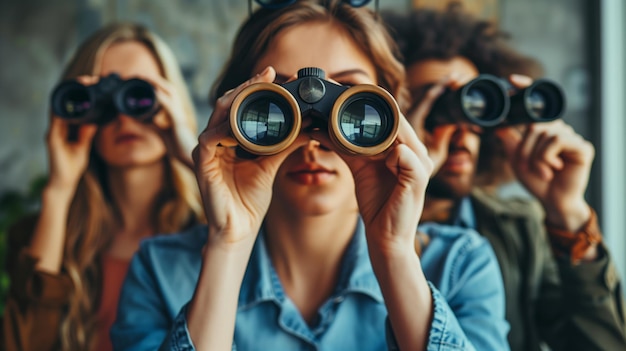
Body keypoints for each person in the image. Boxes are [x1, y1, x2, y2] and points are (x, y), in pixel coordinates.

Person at [110, 1, 510, 350]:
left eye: (350, 100)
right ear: (235, 114)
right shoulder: (159, 270)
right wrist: (229, 243)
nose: (314, 140)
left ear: (392, 115)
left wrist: (394, 252)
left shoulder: (459, 264)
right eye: (279, 102)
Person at [383, 4, 626, 351]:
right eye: (437, 110)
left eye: (476, 109)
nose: (460, 133)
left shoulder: (517, 228)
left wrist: (568, 213)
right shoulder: (343, 224)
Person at [2, 22, 205, 351]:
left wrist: (192, 152)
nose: (123, 118)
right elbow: (21, 345)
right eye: (104, 102)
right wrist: (59, 189)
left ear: (173, 101)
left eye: (138, 95)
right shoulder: (45, 239)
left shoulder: (211, 232)